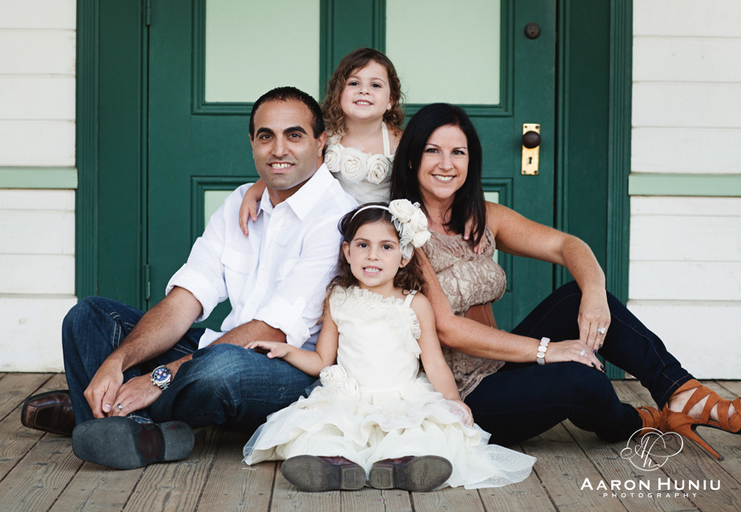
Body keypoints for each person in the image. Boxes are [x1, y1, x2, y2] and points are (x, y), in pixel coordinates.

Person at [20, 86, 359, 470]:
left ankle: (96, 415)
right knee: (90, 318)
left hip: (287, 373)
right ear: (252, 143)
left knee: (222, 370)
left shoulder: (336, 219)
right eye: (266, 136)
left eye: (293, 135)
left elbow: (272, 332)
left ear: (321, 142)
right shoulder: (240, 204)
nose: (278, 149)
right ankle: (141, 429)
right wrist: (117, 360)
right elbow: (184, 301)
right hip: (219, 352)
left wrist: (159, 378)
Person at [390, 102, 740, 460]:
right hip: (458, 393)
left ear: (470, 161)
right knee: (580, 380)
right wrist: (548, 351)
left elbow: (566, 245)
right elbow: (446, 328)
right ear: (412, 159)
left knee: (575, 296)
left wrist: (593, 292)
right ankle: (636, 420)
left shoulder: (483, 216)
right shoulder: (401, 231)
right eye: (433, 150)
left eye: (457, 152)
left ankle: (682, 392)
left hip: (497, 365)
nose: (446, 164)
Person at [241, 200, 536, 492]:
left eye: (386, 247)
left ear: (404, 256)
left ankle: (400, 467)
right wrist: (288, 350)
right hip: (349, 400)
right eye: (362, 245)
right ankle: (335, 467)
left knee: (417, 434)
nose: (372, 256)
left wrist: (452, 400)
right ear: (347, 251)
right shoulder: (338, 298)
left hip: (403, 398)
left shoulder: (414, 303)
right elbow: (322, 360)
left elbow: (433, 361)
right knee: (328, 432)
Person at [237, 48, 403, 235]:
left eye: (376, 85)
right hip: (329, 226)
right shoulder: (327, 137)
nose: (364, 91)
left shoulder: (400, 142)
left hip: (381, 231)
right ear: (339, 93)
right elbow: (286, 167)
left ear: (390, 100)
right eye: (354, 83)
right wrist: (253, 193)